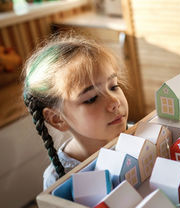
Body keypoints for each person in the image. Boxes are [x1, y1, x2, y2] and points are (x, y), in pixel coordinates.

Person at [22, 34, 129, 190]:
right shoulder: (59, 180)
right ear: (58, 119)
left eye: (113, 86)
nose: (114, 102)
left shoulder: (139, 134)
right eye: (91, 98)